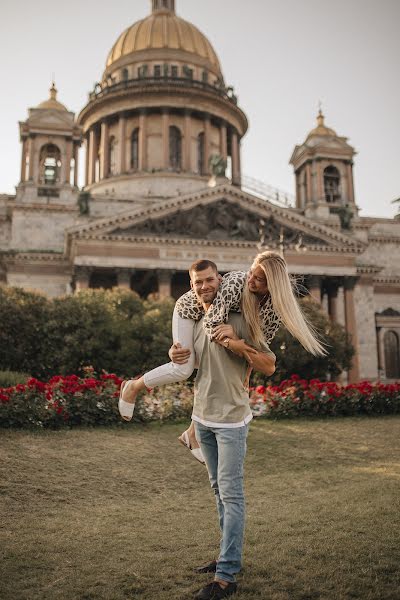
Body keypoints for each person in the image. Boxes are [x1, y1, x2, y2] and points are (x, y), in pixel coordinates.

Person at [118, 251, 325, 462]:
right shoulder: (236, 282)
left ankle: (191, 434)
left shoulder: (275, 309)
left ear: (273, 284)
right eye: (251, 273)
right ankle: (133, 387)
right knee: (183, 367)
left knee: (217, 368)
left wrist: (246, 372)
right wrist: (236, 344)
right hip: (190, 313)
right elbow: (211, 324)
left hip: (212, 323)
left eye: (258, 279)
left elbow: (259, 345)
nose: (250, 280)